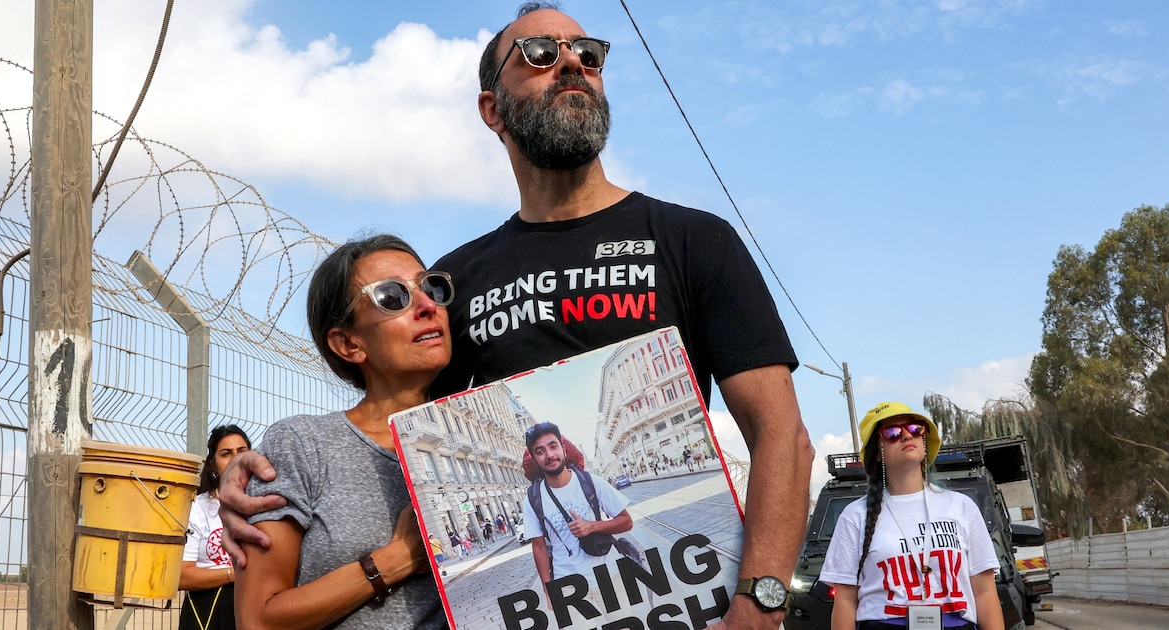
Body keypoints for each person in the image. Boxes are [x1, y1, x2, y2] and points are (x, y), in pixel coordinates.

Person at [219, 4, 814, 627]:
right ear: (493, 109)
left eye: (588, 53)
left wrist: (760, 600)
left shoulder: (693, 240)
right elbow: (398, 432)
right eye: (539, 54)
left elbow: (782, 435)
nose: (571, 65)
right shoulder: (456, 282)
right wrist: (251, 475)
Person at [233, 234, 450, 629]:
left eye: (430, 286)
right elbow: (257, 619)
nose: (426, 306)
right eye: (392, 296)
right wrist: (397, 557)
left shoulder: (486, 435)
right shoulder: (305, 445)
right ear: (349, 343)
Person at [820, 402, 1004, 630]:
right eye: (893, 433)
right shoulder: (855, 516)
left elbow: (985, 591)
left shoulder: (962, 507)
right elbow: (845, 600)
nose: (907, 435)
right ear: (877, 452)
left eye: (916, 429)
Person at [521, 421, 632, 588]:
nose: (549, 455)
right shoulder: (532, 499)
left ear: (563, 450)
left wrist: (592, 526)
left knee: (623, 616)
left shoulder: (591, 482)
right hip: (568, 585)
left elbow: (626, 521)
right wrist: (548, 590)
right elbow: (539, 547)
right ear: (535, 460)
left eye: (553, 446)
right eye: (540, 451)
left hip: (609, 575)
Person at [178, 424, 251, 630]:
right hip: (209, 611)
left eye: (242, 451)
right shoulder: (197, 509)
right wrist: (234, 574)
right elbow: (182, 575)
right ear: (213, 466)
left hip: (255, 604)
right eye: (226, 453)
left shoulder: (266, 505)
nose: (235, 458)